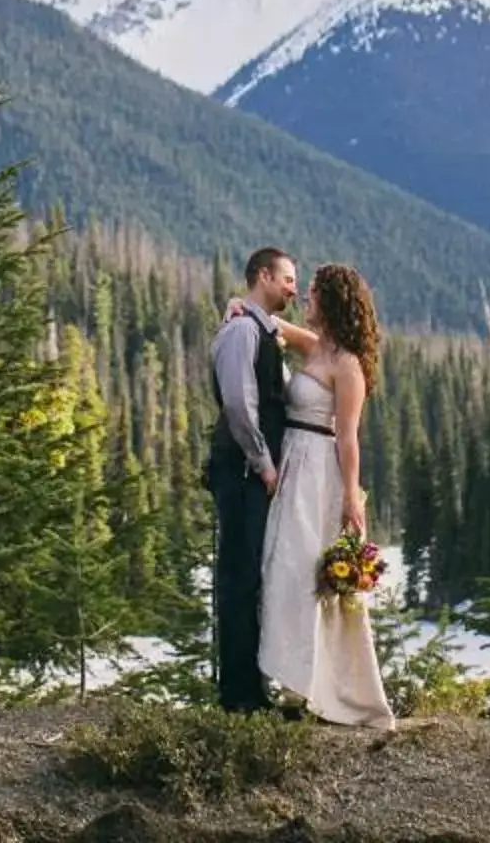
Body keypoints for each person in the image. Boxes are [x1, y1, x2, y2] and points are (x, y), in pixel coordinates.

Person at [250, 262, 396, 730]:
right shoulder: (317, 347)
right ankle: (292, 682)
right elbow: (274, 325)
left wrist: (352, 500)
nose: (305, 299)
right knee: (282, 569)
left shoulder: (347, 363)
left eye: (312, 293)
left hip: (318, 475)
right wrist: (244, 308)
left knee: (308, 575)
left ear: (331, 302)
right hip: (292, 463)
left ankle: (319, 690)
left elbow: (349, 438)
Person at [206, 247, 297, 713]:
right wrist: (263, 463)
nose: (293, 288)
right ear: (262, 276)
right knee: (238, 579)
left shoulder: (260, 329)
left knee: (248, 579)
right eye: (286, 278)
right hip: (242, 473)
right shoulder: (242, 330)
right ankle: (238, 697)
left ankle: (248, 691)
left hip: (251, 474)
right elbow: (240, 406)